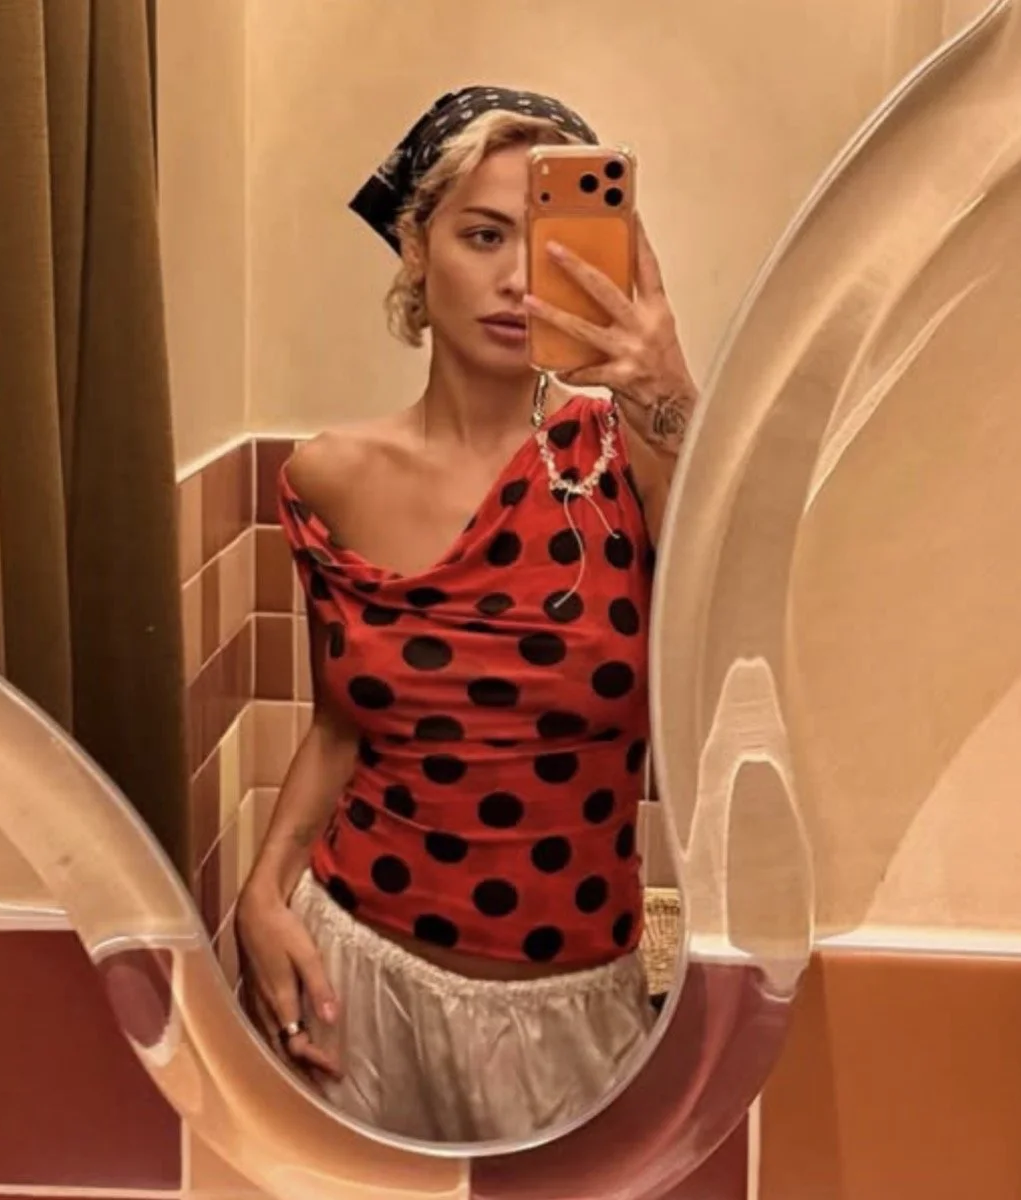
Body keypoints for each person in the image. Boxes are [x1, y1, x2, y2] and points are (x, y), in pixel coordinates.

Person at [235, 85, 699, 1144]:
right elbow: (342, 725)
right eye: (483, 235)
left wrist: (665, 389)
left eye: (552, 243)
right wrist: (262, 893)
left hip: (569, 1007)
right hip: (354, 980)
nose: (519, 278)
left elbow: (732, 629)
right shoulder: (328, 476)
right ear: (415, 249)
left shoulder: (626, 458)